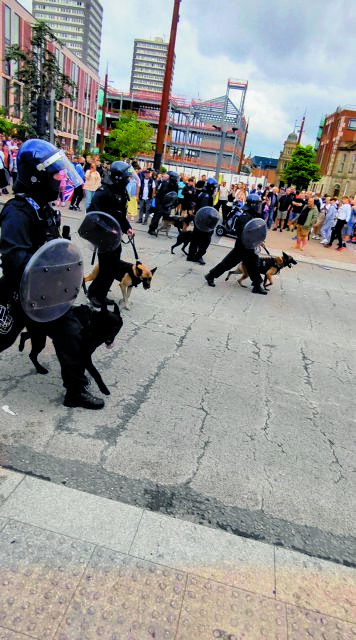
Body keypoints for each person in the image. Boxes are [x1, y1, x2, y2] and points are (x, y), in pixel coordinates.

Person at [0, 138, 105, 410]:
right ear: (37, 177)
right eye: (55, 174)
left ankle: (75, 391)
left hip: (46, 294)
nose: (61, 178)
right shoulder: (18, 211)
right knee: (2, 336)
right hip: (17, 293)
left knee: (71, 333)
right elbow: (15, 260)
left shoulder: (42, 206)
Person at [87, 161, 135, 307]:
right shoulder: (104, 191)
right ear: (119, 177)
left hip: (115, 237)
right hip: (103, 237)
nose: (128, 179)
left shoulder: (120, 190)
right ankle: (94, 294)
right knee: (106, 267)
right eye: (126, 177)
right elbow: (92, 213)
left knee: (112, 267)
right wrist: (106, 228)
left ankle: (101, 293)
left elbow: (120, 214)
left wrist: (127, 228)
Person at [204, 194, 267, 294]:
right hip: (242, 246)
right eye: (257, 204)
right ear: (252, 205)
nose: (259, 207)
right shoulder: (245, 217)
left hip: (250, 246)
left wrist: (258, 240)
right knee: (228, 263)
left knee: (253, 265)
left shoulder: (252, 216)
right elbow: (243, 233)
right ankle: (211, 276)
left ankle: (257, 285)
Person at [186, 177, 218, 265]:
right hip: (203, 221)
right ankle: (198, 255)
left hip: (199, 220)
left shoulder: (202, 193)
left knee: (195, 237)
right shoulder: (206, 196)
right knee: (206, 240)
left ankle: (191, 255)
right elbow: (206, 210)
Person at [148, 171, 178, 235]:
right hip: (160, 200)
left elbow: (174, 195)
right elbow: (160, 193)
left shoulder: (175, 185)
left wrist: (173, 204)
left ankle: (164, 227)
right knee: (158, 213)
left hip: (167, 202)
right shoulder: (165, 183)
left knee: (166, 215)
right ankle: (152, 229)